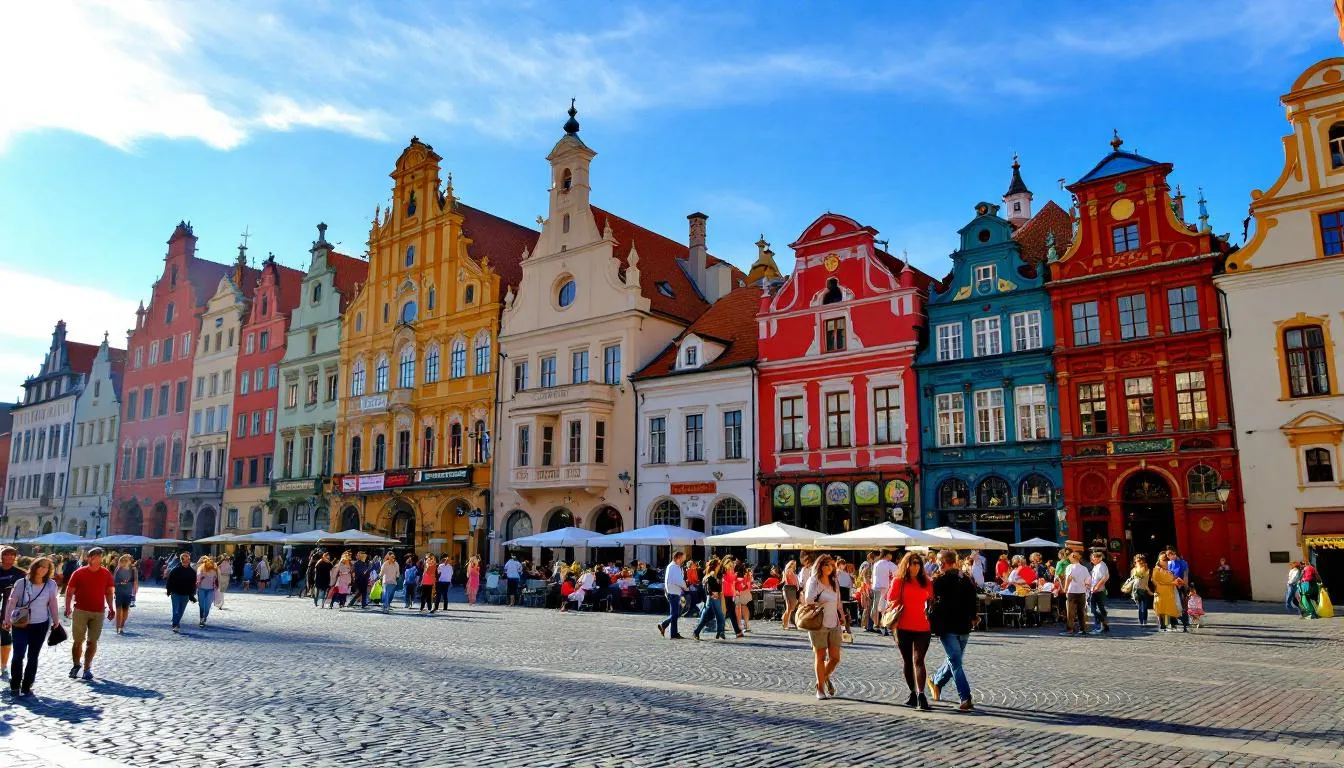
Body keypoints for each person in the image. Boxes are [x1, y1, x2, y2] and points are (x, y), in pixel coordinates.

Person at [927, 549, 980, 712]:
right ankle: (961, 694)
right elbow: (973, 600)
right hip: (964, 626)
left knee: (954, 662)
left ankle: (961, 695)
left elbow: (929, 599)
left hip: (947, 626)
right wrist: (973, 617)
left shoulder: (939, 580)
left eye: (938, 561)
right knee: (955, 660)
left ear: (942, 562)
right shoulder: (965, 578)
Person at [3, 556, 60, 697]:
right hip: (21, 624)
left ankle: (27, 685)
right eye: (40, 565)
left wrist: (56, 621)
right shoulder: (21, 582)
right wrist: (6, 619)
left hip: (40, 624)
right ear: (34, 566)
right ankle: (15, 684)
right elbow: (12, 601)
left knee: (33, 656)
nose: (43, 569)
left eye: (46, 567)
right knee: (18, 654)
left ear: (49, 570)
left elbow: (53, 603)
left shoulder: (51, 584)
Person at [886, 552, 934, 710]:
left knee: (919, 660)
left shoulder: (925, 581)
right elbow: (891, 599)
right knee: (907, 661)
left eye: (917, 563)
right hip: (903, 626)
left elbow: (931, 599)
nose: (915, 566)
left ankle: (921, 694)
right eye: (912, 563)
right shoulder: (898, 581)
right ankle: (913, 692)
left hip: (922, 626)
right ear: (906, 564)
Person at [64, 548, 115, 681]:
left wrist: (111, 607)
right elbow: (69, 592)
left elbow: (109, 592)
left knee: (92, 641)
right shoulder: (79, 573)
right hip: (80, 610)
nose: (97, 558)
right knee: (78, 641)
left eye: (99, 556)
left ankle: (87, 668)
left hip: (98, 611)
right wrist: (68, 607)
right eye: (94, 556)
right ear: (89, 558)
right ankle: (76, 665)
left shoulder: (106, 573)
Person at [802, 554, 847, 700]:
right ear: (819, 566)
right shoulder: (813, 581)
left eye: (830, 564)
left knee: (835, 658)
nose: (828, 567)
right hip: (818, 623)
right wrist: (821, 603)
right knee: (820, 656)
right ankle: (820, 689)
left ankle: (821, 678)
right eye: (825, 564)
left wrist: (843, 617)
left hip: (834, 623)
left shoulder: (834, 581)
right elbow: (808, 600)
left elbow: (838, 602)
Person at [0, 547, 25, 682]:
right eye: (6, 555)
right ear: (2, 557)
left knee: (5, 638)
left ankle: (3, 665)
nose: (9, 558)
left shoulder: (20, 574)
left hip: (9, 611)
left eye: (12, 555)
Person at [693, 558, 727, 641]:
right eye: (718, 565)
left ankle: (719, 631)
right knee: (717, 615)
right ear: (715, 566)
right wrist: (712, 593)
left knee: (710, 616)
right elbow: (708, 586)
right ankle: (720, 631)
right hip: (712, 598)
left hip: (714, 597)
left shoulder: (715, 574)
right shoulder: (711, 574)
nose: (720, 566)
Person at [1152, 553, 1186, 632]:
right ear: (1159, 561)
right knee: (1161, 609)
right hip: (1161, 593)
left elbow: (1172, 579)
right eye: (1164, 561)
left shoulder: (1168, 571)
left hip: (1169, 593)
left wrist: (1178, 580)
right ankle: (1163, 625)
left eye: (1167, 561)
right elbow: (1156, 582)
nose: (1166, 563)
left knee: (1170, 608)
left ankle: (1173, 624)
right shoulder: (1156, 570)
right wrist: (1172, 583)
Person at [1060, 551, 1090, 636]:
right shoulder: (1084, 568)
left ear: (1073, 557)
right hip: (1082, 592)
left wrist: (1065, 588)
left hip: (1072, 591)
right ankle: (1082, 629)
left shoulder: (1070, 567)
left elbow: (1069, 578)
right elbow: (1088, 580)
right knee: (1081, 611)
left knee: (1070, 612)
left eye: (1070, 556)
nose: (1069, 558)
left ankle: (1070, 629)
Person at [166, 552, 197, 634]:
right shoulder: (175, 570)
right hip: (175, 593)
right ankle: (175, 625)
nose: (185, 560)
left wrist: (192, 595)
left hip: (185, 594)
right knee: (176, 610)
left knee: (181, 611)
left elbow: (193, 585)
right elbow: (169, 581)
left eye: (187, 559)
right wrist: (169, 590)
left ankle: (176, 621)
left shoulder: (192, 572)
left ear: (189, 560)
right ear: (181, 560)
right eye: (183, 559)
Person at [658, 551, 687, 639]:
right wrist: (685, 587)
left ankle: (674, 633)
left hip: (673, 592)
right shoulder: (674, 567)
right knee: (675, 614)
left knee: (674, 614)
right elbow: (678, 580)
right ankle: (663, 624)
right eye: (682, 558)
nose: (683, 560)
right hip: (673, 592)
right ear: (678, 558)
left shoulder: (673, 566)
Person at [870, 551, 896, 636]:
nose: (891, 556)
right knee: (884, 607)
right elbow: (896, 572)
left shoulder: (876, 563)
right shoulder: (888, 564)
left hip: (876, 586)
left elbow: (873, 576)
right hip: (884, 587)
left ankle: (876, 624)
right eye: (890, 554)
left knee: (877, 606)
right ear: (887, 555)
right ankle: (883, 625)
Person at [112, 553, 139, 634]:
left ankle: (122, 626)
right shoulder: (118, 569)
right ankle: (118, 626)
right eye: (123, 560)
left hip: (128, 592)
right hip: (119, 592)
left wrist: (134, 595)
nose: (124, 562)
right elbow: (114, 582)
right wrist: (120, 583)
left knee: (125, 610)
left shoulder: (133, 570)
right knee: (119, 610)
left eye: (126, 560)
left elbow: (135, 582)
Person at [1165, 548, 1191, 628]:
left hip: (1181, 585)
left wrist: (1186, 586)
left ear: (1175, 554)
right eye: (1167, 555)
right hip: (1172, 585)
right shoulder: (1169, 563)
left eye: (1170, 555)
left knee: (1182, 602)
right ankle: (1173, 620)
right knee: (1173, 603)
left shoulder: (1183, 563)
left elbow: (1185, 575)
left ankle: (1185, 620)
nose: (1169, 557)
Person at [1088, 550, 1111, 634]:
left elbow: (1104, 578)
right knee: (1100, 609)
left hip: (1098, 590)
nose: (1092, 560)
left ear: (1099, 558)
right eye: (1092, 558)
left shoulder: (1101, 565)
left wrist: (1096, 587)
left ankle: (1103, 623)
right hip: (1095, 589)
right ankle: (1104, 626)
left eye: (1093, 558)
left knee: (1093, 609)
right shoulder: (1097, 565)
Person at [720, 556, 743, 638]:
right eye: (731, 565)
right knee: (728, 613)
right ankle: (736, 631)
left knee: (728, 613)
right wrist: (736, 577)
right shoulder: (726, 572)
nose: (732, 566)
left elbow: (731, 581)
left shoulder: (728, 571)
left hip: (729, 594)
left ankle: (735, 631)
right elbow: (730, 580)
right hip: (726, 595)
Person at [1129, 554, 1153, 628]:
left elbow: (1144, 579)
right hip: (1136, 589)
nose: (1138, 562)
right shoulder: (1133, 570)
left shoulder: (1146, 569)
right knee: (1140, 606)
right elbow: (1132, 580)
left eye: (1140, 561)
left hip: (1144, 589)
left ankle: (1144, 621)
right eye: (1137, 561)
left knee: (1144, 606)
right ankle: (1141, 621)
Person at [196, 556, 219, 628]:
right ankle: (201, 619)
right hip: (201, 589)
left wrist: (216, 584)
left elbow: (216, 579)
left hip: (210, 589)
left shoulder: (215, 570)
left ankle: (204, 617)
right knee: (202, 605)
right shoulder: (201, 569)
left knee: (208, 605)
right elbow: (198, 578)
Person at [734, 562, 753, 633]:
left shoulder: (737, 574)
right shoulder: (747, 573)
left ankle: (741, 625)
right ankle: (746, 624)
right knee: (743, 606)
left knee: (741, 607)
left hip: (740, 591)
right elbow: (749, 583)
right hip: (744, 591)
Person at [782, 560, 800, 630]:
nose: (793, 565)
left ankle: (785, 621)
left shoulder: (792, 571)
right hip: (788, 589)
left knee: (791, 608)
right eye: (792, 564)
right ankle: (785, 624)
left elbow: (795, 582)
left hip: (793, 589)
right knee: (789, 608)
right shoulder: (788, 571)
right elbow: (789, 581)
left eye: (794, 564)